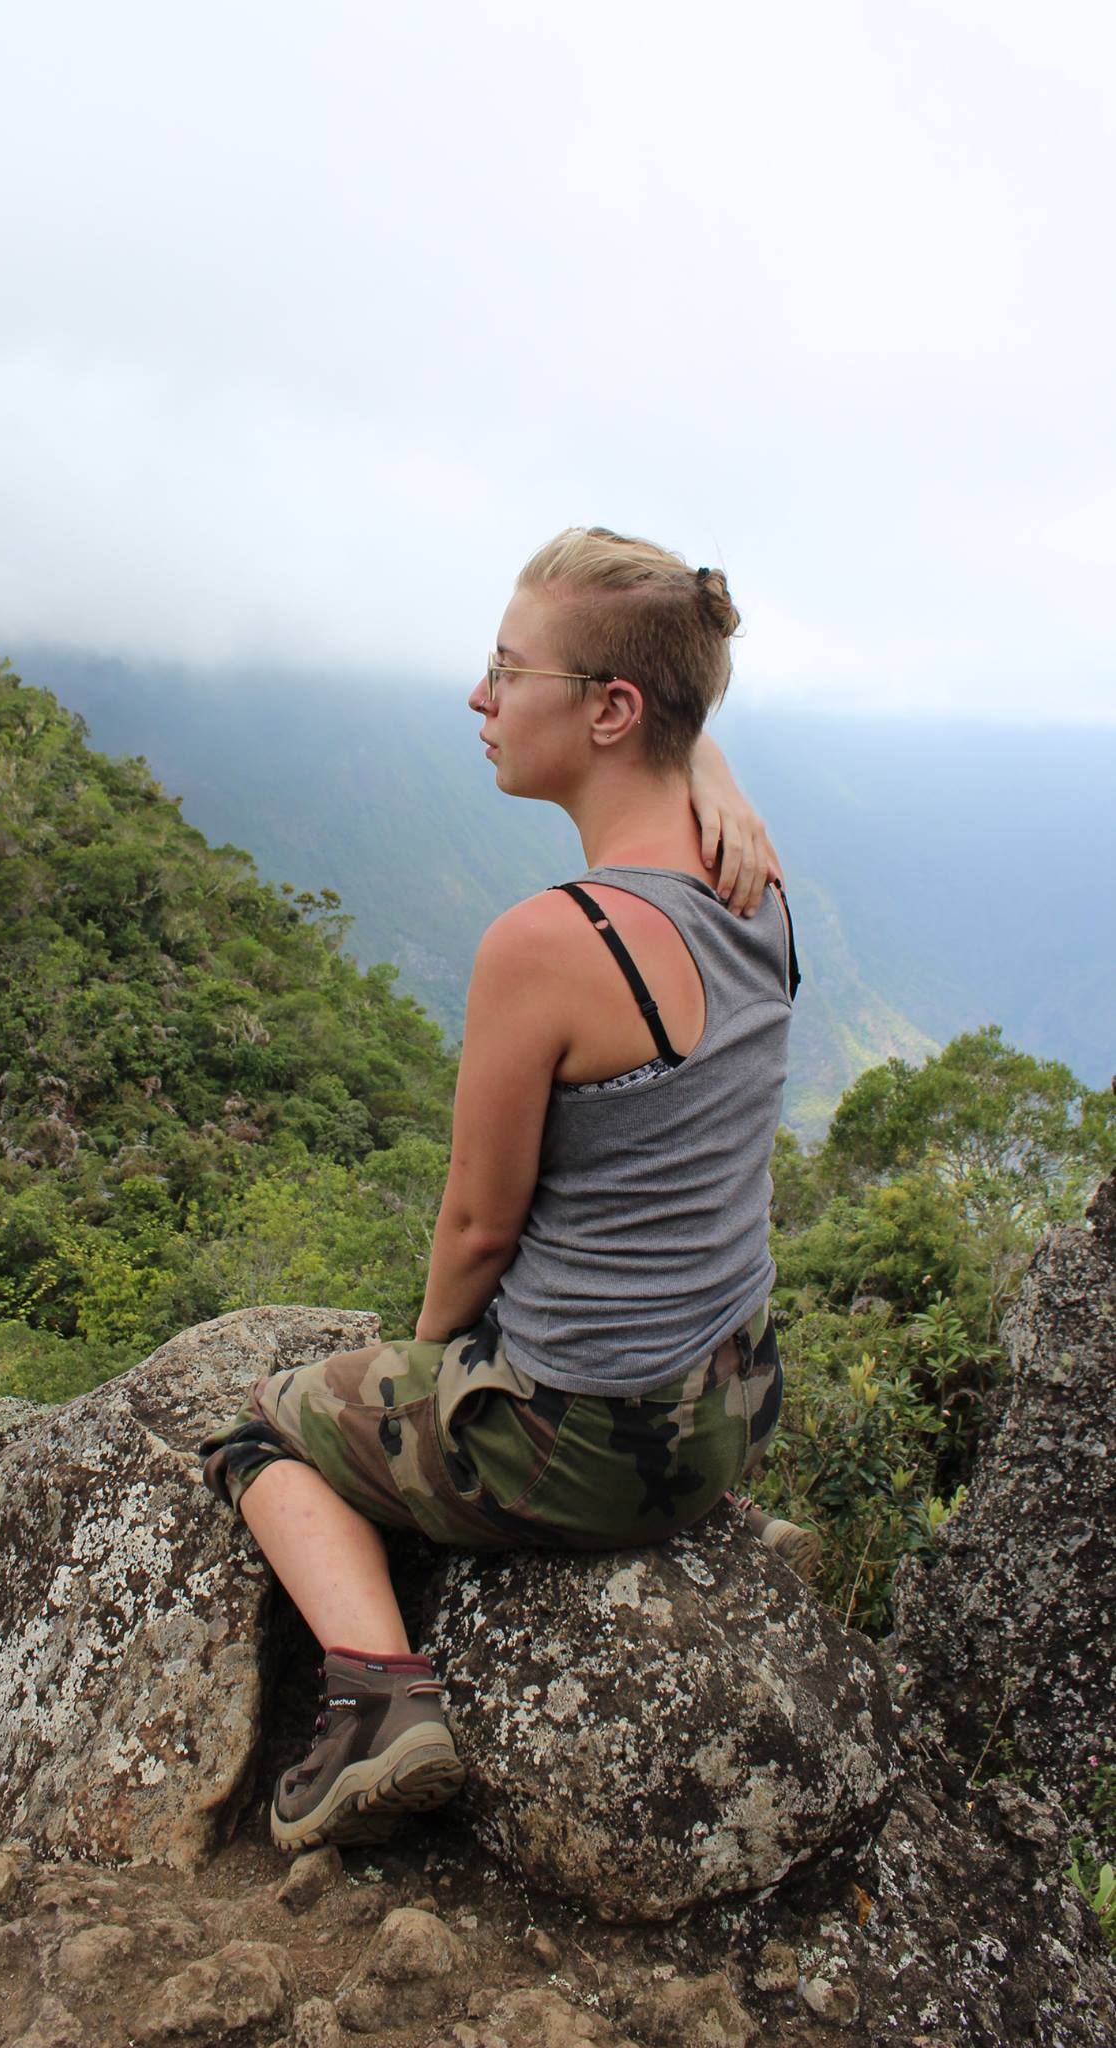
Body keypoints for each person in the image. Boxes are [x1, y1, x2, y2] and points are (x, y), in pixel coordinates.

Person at [203, 526, 811, 1856]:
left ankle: (378, 1706)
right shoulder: (754, 878)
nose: (478, 700)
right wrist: (706, 754)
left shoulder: (551, 941)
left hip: (587, 1444)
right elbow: (673, 719)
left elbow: (479, 1226)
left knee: (258, 1432)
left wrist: (421, 1378)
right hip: (733, 1398)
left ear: (609, 709)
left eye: (503, 669)